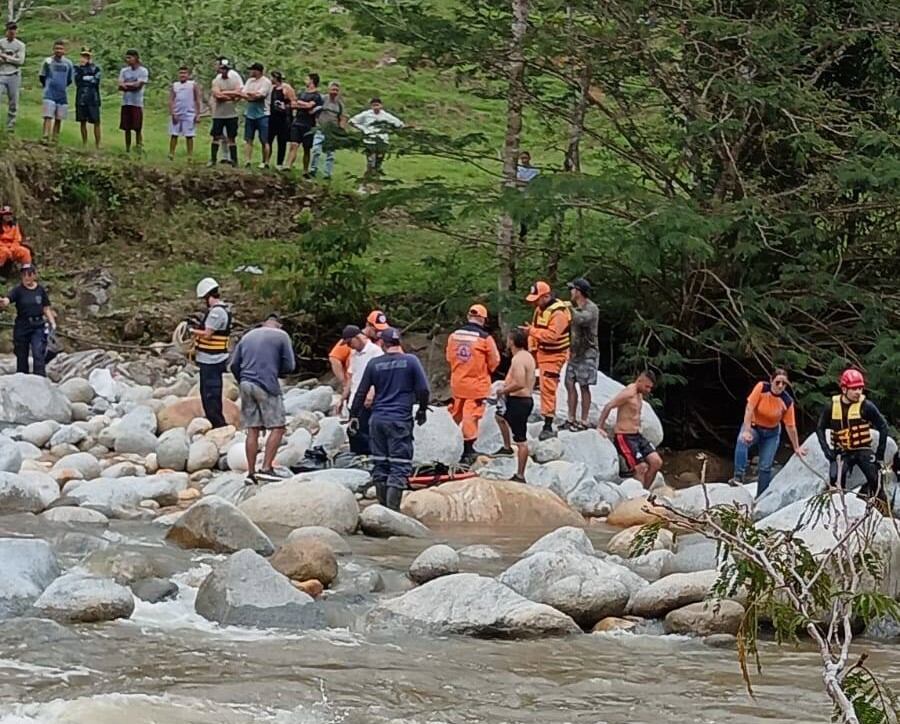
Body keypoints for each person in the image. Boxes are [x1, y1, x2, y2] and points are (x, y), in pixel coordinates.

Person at [350, 327, 430, 511]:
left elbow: (361, 392)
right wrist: (422, 410)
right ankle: (392, 512)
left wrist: (354, 415)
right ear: (398, 342)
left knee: (380, 463)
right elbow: (423, 390)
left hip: (377, 420)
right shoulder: (411, 361)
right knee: (399, 465)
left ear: (383, 344)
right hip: (399, 419)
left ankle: (381, 509)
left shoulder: (374, 364)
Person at [230, 314, 295, 484]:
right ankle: (267, 468)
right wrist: (276, 372)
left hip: (245, 383)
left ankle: (251, 473)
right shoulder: (281, 336)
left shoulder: (247, 336)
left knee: (253, 429)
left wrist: (242, 380)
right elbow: (290, 365)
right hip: (266, 384)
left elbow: (233, 364)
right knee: (278, 426)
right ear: (278, 325)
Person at [816, 368, 890, 501]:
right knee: (835, 478)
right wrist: (827, 451)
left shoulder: (866, 406)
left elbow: (883, 427)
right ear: (844, 389)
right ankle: (837, 510)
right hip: (842, 451)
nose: (858, 392)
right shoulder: (831, 407)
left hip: (862, 449)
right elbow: (820, 428)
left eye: (860, 388)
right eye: (854, 389)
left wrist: (880, 454)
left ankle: (882, 509)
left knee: (875, 478)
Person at [731, 368, 806, 495]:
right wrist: (747, 431)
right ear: (771, 380)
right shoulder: (762, 388)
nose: (780, 386)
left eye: (784, 384)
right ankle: (739, 476)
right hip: (754, 426)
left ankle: (761, 496)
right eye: (777, 382)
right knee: (742, 442)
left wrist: (796, 447)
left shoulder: (787, 401)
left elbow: (790, 426)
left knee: (765, 466)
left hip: (771, 433)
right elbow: (749, 408)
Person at [446, 303, 501, 465]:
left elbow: (449, 357)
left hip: (458, 382)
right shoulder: (485, 338)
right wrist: (486, 370)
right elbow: (495, 360)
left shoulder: (454, 336)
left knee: (456, 413)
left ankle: (450, 443)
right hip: (476, 384)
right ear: (483, 319)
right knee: (471, 416)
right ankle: (468, 450)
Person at [597, 370, 663, 489]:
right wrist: (600, 427)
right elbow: (609, 406)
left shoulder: (639, 394)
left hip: (637, 435)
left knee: (656, 462)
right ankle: (639, 497)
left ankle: (645, 492)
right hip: (624, 436)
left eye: (650, 387)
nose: (648, 390)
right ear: (640, 380)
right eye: (647, 386)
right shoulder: (628, 393)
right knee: (641, 468)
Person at [523, 280, 571, 440]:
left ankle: (548, 424)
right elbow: (535, 328)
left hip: (554, 355)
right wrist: (532, 348)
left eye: (537, 298)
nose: (535, 302)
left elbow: (552, 336)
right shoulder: (539, 309)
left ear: (547, 296)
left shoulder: (559, 314)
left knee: (548, 388)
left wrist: (531, 331)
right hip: (541, 353)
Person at [495, 328, 536, 483]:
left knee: (521, 440)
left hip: (519, 401)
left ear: (512, 341)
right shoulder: (528, 356)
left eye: (508, 339)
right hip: (521, 400)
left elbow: (520, 382)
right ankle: (506, 447)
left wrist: (503, 391)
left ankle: (520, 475)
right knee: (499, 416)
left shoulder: (518, 359)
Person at [0, 263, 56, 376]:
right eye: (24, 274)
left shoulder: (40, 290)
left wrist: (52, 322)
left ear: (34, 275)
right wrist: (3, 302)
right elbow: (8, 300)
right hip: (22, 325)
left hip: (38, 325)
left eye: (29, 274)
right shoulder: (18, 290)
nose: (26, 277)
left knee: (38, 352)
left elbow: (46, 307)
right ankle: (22, 377)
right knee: (21, 354)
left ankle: (40, 378)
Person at [191, 277, 232, 428]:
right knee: (206, 391)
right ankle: (212, 417)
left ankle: (217, 422)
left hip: (212, 359)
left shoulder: (217, 313)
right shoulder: (221, 311)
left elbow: (207, 333)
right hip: (209, 358)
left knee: (211, 392)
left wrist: (191, 331)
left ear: (208, 297)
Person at [340, 324, 384, 454]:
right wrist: (343, 398)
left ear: (358, 337)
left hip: (368, 398)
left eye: (350, 342)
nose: (349, 346)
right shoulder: (353, 354)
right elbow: (351, 377)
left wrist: (371, 394)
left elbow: (379, 376)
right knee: (354, 430)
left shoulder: (375, 352)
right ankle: (357, 456)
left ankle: (370, 456)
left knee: (366, 430)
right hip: (355, 398)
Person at [563, 278, 599, 430]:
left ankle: (584, 420)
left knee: (584, 386)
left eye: (572, 289)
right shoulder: (574, 307)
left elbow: (582, 320)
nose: (570, 292)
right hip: (575, 352)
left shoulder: (592, 308)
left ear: (578, 291)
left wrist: (568, 309)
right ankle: (571, 418)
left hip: (588, 353)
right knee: (569, 383)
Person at [349, 97, 404, 177]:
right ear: (371, 106)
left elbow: (399, 124)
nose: (376, 107)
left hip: (382, 140)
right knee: (371, 161)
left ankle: (377, 177)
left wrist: (392, 130)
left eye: (377, 105)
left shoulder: (386, 115)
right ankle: (368, 177)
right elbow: (352, 121)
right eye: (374, 105)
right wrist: (363, 129)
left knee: (379, 161)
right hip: (370, 140)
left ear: (381, 106)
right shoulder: (366, 114)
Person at [287, 73, 323, 176]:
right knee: (293, 145)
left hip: (308, 125)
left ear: (312, 81)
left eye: (307, 79)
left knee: (307, 148)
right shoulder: (302, 93)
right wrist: (303, 105)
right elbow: (294, 104)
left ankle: (305, 170)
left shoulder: (317, 96)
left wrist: (300, 104)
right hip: (297, 122)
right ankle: (288, 166)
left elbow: (310, 106)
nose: (305, 81)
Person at [209, 59, 243, 166]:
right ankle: (213, 159)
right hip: (219, 114)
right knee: (216, 136)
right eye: (222, 69)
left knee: (231, 137)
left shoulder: (234, 79)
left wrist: (225, 94)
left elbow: (239, 93)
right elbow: (217, 94)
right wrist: (230, 97)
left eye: (226, 69)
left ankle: (234, 160)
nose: (224, 71)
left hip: (231, 114)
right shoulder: (216, 80)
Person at [39, 40, 73, 143]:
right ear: (53, 50)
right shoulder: (47, 61)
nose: (59, 50)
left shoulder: (68, 63)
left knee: (59, 117)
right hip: (49, 93)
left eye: (61, 49)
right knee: (48, 116)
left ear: (64, 51)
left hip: (62, 94)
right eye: (57, 48)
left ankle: (55, 139)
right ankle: (45, 136)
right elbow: (42, 76)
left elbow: (69, 79)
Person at [310, 80, 345, 180]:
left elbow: (342, 117)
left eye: (337, 90)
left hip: (332, 132)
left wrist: (341, 129)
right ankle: (313, 170)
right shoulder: (322, 99)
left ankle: (327, 174)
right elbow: (313, 110)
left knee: (331, 154)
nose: (335, 92)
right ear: (329, 89)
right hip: (320, 129)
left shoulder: (339, 104)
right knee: (316, 150)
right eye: (333, 89)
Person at [117, 49, 148, 154]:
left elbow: (138, 86)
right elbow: (120, 85)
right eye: (127, 57)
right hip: (126, 102)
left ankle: (139, 148)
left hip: (137, 103)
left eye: (130, 57)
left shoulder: (143, 71)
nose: (128, 60)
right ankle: (127, 149)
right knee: (127, 128)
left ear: (136, 58)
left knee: (137, 128)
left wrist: (127, 85)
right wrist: (130, 85)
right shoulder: (124, 71)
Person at [241, 62, 272, 169]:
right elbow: (243, 93)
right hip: (250, 114)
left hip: (262, 114)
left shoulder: (266, 82)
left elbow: (260, 95)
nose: (250, 72)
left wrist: (251, 95)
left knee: (264, 140)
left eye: (252, 70)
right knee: (248, 139)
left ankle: (265, 161)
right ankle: (247, 160)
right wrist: (251, 95)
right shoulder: (250, 81)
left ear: (257, 71)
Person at [168, 66, 201, 160]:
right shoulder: (175, 85)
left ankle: (190, 155)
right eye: (181, 73)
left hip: (189, 113)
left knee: (189, 135)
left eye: (184, 73)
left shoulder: (192, 85)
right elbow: (171, 100)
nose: (182, 75)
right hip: (177, 113)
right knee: (174, 134)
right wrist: (172, 113)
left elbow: (197, 99)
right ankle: (171, 153)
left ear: (188, 75)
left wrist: (198, 114)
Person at [0, 21, 25, 132]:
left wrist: (5, 57)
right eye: (10, 29)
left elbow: (20, 61)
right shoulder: (1, 43)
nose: (12, 32)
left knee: (13, 100)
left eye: (14, 29)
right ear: (6, 30)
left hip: (14, 74)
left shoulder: (20, 45)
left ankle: (10, 125)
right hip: (1, 73)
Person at [74, 48, 101, 148]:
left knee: (96, 122)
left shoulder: (96, 68)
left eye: (87, 56)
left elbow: (96, 80)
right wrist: (88, 77)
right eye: (83, 56)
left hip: (93, 98)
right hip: (81, 98)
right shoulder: (77, 68)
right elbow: (78, 81)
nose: (85, 58)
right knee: (82, 121)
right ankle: (84, 142)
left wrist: (87, 78)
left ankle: (98, 144)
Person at [268, 71, 295, 169]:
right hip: (272, 117)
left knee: (282, 141)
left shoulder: (286, 88)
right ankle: (266, 160)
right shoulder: (271, 88)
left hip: (284, 119)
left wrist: (285, 107)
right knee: (269, 140)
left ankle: (280, 163)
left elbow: (293, 102)